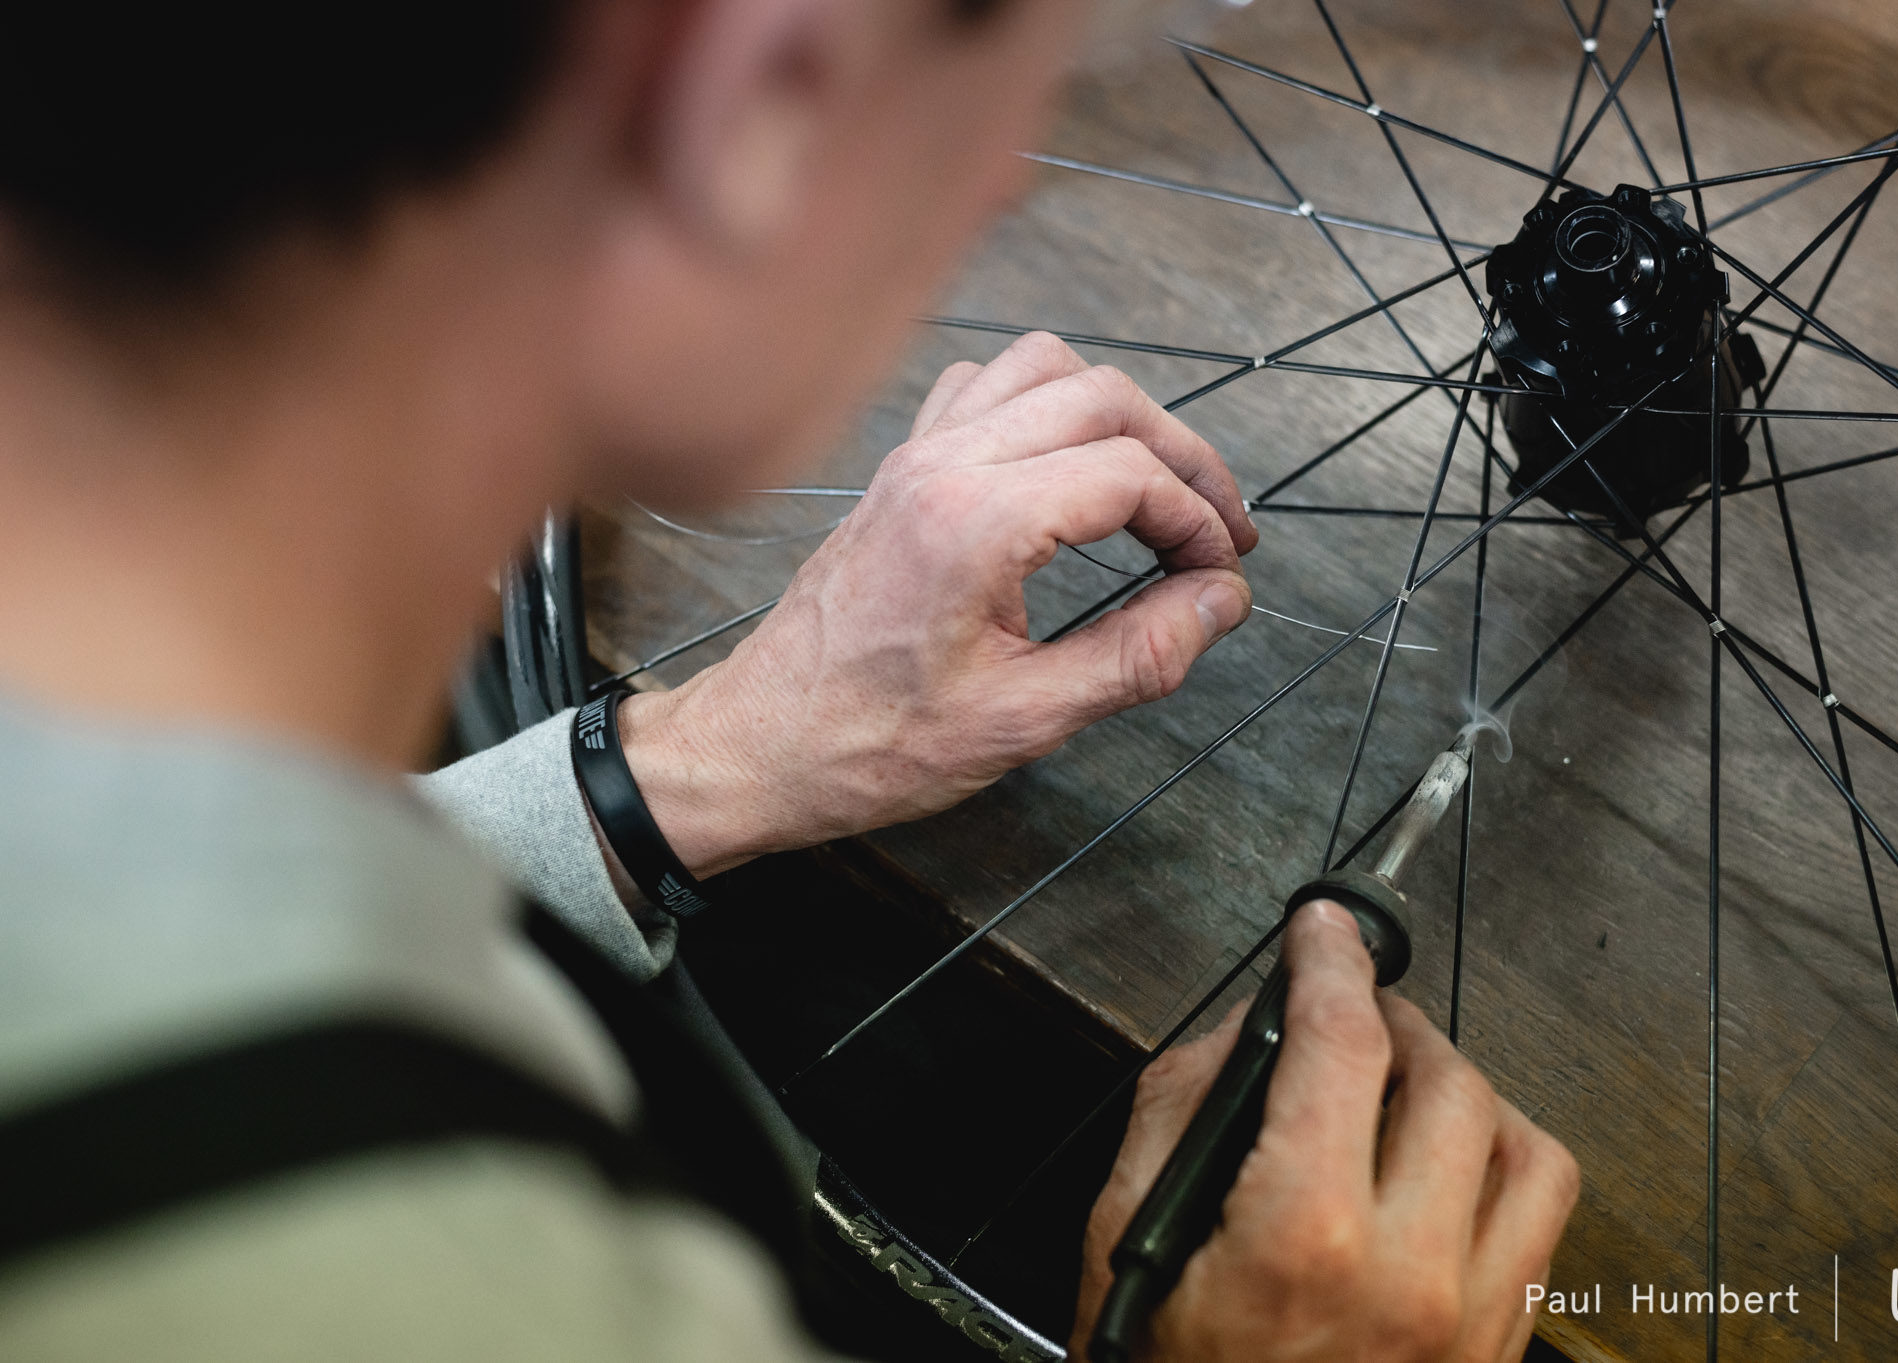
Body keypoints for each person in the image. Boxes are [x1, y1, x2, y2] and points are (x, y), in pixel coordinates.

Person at [0, 1, 1579, 1360]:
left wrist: (684, 772)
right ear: (764, 87)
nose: (1006, 171)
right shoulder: (503, 1303)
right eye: (1037, 76)